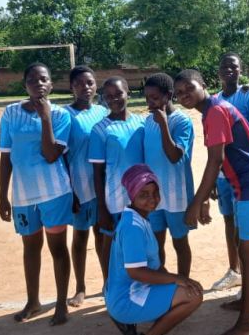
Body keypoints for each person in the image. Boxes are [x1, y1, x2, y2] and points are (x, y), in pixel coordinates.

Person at [175, 69, 249, 335]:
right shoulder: (214, 109)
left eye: (189, 88)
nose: (184, 95)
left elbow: (215, 161)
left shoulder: (215, 111)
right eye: (179, 93)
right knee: (246, 246)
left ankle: (246, 322)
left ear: (204, 85)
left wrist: (195, 203)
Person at [0, 62, 73, 326]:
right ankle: (33, 301)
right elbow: (6, 156)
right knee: (30, 248)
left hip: (54, 192)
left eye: (43, 79)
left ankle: (62, 303)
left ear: (51, 84)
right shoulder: (10, 113)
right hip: (23, 195)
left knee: (58, 248)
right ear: (25, 85)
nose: (38, 83)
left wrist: (45, 117)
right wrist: (2, 195)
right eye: (32, 79)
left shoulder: (62, 116)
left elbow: (51, 155)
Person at [105, 164, 204, 335]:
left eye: (155, 192)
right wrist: (177, 279)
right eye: (144, 194)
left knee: (182, 289)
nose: (152, 199)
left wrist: (174, 280)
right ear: (132, 195)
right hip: (126, 298)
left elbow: (154, 267)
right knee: (194, 295)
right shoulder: (133, 227)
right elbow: (136, 273)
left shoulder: (137, 218)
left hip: (121, 291)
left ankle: (128, 321)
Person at [211, 53, 249, 291]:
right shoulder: (214, 99)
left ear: (241, 70)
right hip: (222, 174)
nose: (229, 69)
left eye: (234, 66)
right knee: (229, 222)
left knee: (244, 227)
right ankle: (235, 270)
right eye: (224, 66)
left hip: (243, 173)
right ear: (218, 71)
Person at [89, 76, 145, 281]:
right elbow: (98, 172)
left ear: (128, 93)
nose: (114, 99)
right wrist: (102, 208)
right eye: (108, 96)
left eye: (119, 94)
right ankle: (109, 284)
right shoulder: (100, 130)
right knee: (110, 243)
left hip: (141, 198)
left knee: (137, 241)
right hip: (115, 199)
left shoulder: (141, 122)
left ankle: (138, 283)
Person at [143, 73, 195, 277]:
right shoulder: (147, 121)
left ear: (169, 95)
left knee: (180, 243)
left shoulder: (181, 121)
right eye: (147, 98)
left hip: (176, 195)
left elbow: (174, 156)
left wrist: (164, 124)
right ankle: (162, 283)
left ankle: (185, 282)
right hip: (153, 197)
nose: (150, 102)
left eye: (155, 98)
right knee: (156, 244)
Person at [65, 66, 109, 307]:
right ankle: (80, 287)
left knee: (102, 235)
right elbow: (62, 155)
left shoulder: (103, 111)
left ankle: (107, 282)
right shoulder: (65, 115)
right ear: (72, 87)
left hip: (101, 185)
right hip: (79, 186)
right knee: (80, 236)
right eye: (80, 84)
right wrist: (69, 190)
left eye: (90, 83)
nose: (86, 88)